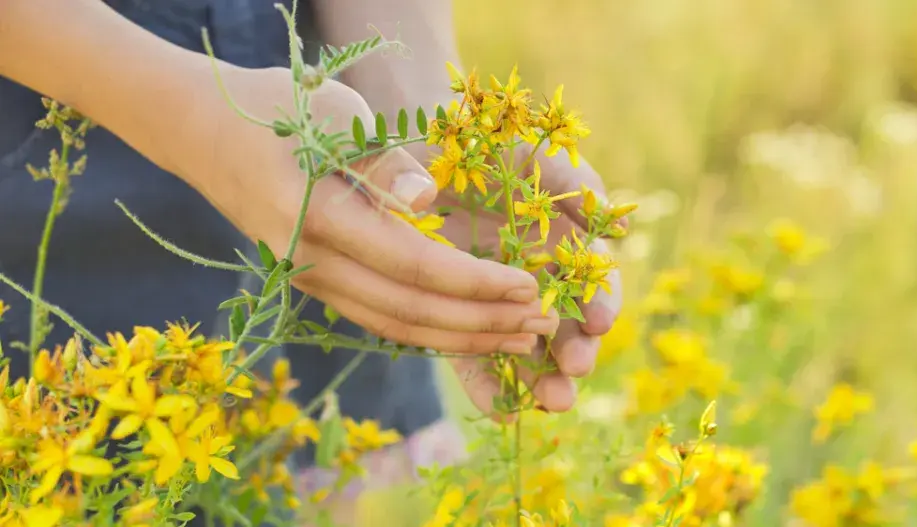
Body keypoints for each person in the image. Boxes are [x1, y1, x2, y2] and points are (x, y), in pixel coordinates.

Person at [0, 0, 623, 523]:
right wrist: (195, 117)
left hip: (326, 154)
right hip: (50, 140)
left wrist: (425, 114)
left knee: (280, 463)